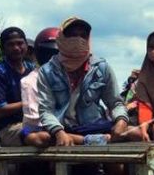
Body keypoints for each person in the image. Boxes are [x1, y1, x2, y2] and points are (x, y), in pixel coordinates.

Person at [37, 16, 129, 146]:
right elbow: (46, 110)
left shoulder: (101, 68)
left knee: (127, 137)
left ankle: (91, 141)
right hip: (62, 128)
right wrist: (58, 132)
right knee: (42, 137)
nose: (78, 40)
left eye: (83, 36)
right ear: (62, 37)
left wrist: (121, 121)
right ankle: (88, 141)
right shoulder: (47, 71)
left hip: (94, 126)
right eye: (73, 35)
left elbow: (115, 103)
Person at [0, 27, 35, 146]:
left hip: (34, 123)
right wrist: (29, 103)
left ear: (26, 45)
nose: (16, 48)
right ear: (3, 49)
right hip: (10, 128)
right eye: (11, 44)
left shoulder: (32, 69)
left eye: (20, 43)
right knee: (38, 137)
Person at [20, 27, 59, 148]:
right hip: (37, 129)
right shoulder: (29, 81)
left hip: (61, 127)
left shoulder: (70, 77)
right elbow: (34, 120)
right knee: (40, 136)